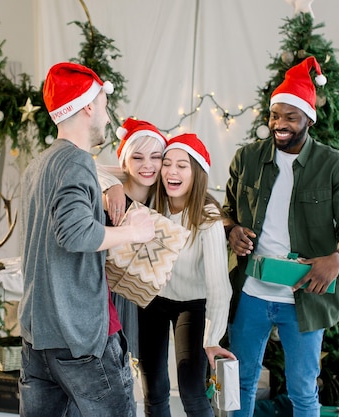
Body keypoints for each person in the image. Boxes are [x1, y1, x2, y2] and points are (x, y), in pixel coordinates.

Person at [223, 56, 339, 417]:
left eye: (290, 117)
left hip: (305, 294)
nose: (279, 124)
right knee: (239, 383)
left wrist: (338, 258)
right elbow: (223, 211)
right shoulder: (248, 158)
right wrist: (232, 230)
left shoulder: (335, 165)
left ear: (308, 119)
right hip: (252, 291)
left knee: (303, 390)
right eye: (275, 116)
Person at [18, 62, 156, 417]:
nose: (108, 119)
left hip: (39, 338)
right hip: (80, 337)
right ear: (89, 107)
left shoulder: (40, 164)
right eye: (105, 107)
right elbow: (75, 233)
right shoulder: (77, 162)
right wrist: (134, 231)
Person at [138, 133, 236, 417]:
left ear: (197, 173)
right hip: (154, 300)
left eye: (182, 165)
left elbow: (219, 287)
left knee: (192, 390)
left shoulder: (207, 218)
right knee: (154, 389)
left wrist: (212, 339)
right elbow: (116, 175)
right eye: (166, 163)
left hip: (192, 305)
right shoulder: (153, 202)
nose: (171, 171)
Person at [104, 117, 168, 357]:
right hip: (113, 298)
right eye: (137, 157)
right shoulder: (110, 202)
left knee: (150, 373)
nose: (147, 165)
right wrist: (113, 185)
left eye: (155, 157)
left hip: (153, 300)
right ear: (124, 162)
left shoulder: (164, 200)